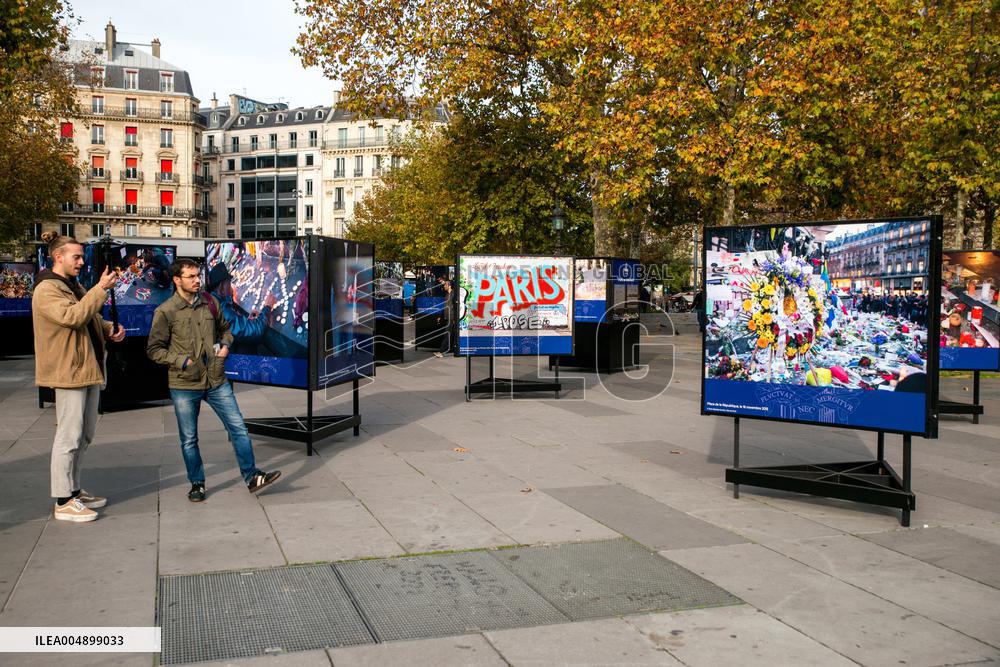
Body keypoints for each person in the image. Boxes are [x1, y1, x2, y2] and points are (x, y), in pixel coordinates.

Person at [147, 259, 280, 502]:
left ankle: (252, 476)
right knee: (189, 439)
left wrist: (226, 345)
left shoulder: (210, 302)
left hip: (216, 379)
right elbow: (154, 350)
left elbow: (226, 329)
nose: (197, 280)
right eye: (190, 276)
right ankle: (197, 483)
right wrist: (182, 361)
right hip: (184, 384)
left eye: (198, 275)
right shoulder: (165, 311)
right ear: (176, 280)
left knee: (238, 428)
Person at [33, 232, 126, 522]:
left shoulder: (72, 285)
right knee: (69, 436)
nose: (81, 262)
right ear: (58, 257)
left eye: (82, 257)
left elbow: (90, 316)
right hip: (69, 370)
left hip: (87, 368)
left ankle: (73, 490)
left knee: (84, 435)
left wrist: (109, 328)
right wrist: (100, 289)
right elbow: (72, 317)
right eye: (76, 257)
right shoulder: (46, 289)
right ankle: (63, 500)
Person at [205, 262, 275, 350]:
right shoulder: (222, 311)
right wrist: (267, 307)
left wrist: (245, 321)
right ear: (222, 286)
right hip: (231, 353)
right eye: (228, 283)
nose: (230, 285)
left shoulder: (216, 300)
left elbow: (235, 326)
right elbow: (256, 331)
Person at [433, 275, 453, 358]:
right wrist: (440, 316)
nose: (444, 286)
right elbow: (445, 307)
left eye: (445, 285)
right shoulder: (447, 295)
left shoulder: (454, 295)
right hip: (448, 317)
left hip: (452, 318)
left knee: (447, 334)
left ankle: (441, 352)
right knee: (450, 334)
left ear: (449, 286)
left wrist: (456, 318)